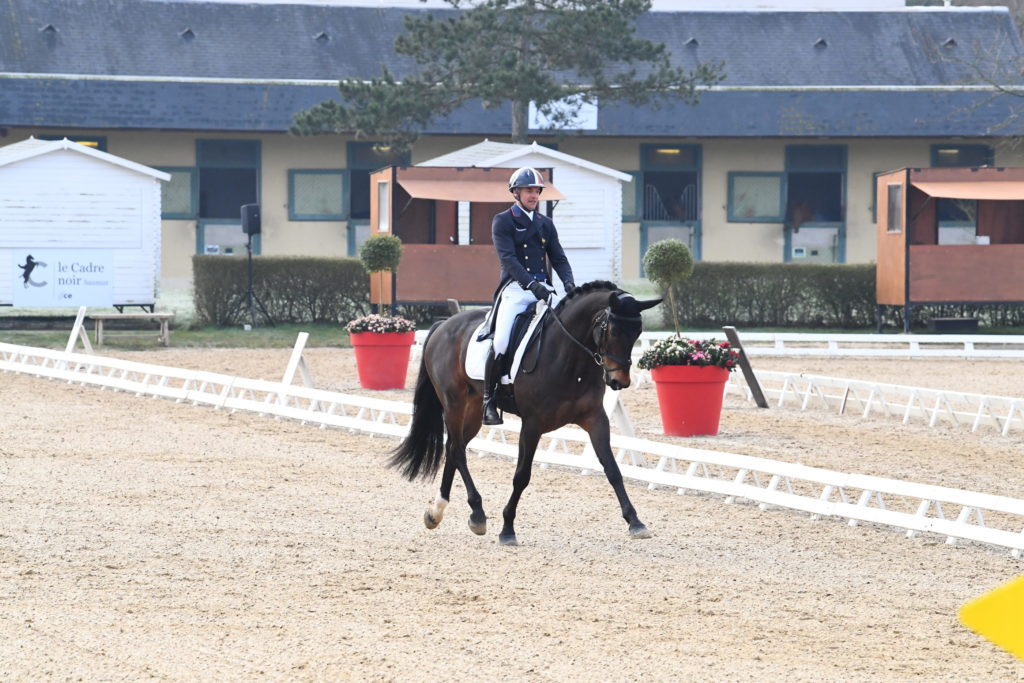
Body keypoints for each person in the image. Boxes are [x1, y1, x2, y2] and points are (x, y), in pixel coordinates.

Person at [482, 167, 575, 425]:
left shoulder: (546, 224)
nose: (533, 195)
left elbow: (558, 257)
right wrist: (532, 285)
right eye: (528, 191)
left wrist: (568, 282)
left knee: (572, 327)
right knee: (500, 342)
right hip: (515, 290)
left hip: (545, 289)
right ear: (516, 193)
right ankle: (489, 400)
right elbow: (509, 260)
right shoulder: (503, 221)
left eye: (536, 191)